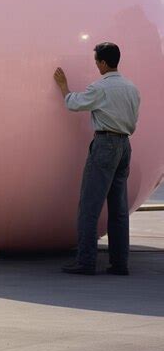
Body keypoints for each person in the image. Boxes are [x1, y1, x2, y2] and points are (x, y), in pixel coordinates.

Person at [53, 42, 140, 276]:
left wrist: (63, 87)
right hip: (124, 144)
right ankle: (120, 263)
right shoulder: (131, 88)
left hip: (105, 144)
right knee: (119, 209)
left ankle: (86, 261)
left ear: (102, 63)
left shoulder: (101, 88)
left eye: (96, 62)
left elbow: (74, 103)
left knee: (89, 206)